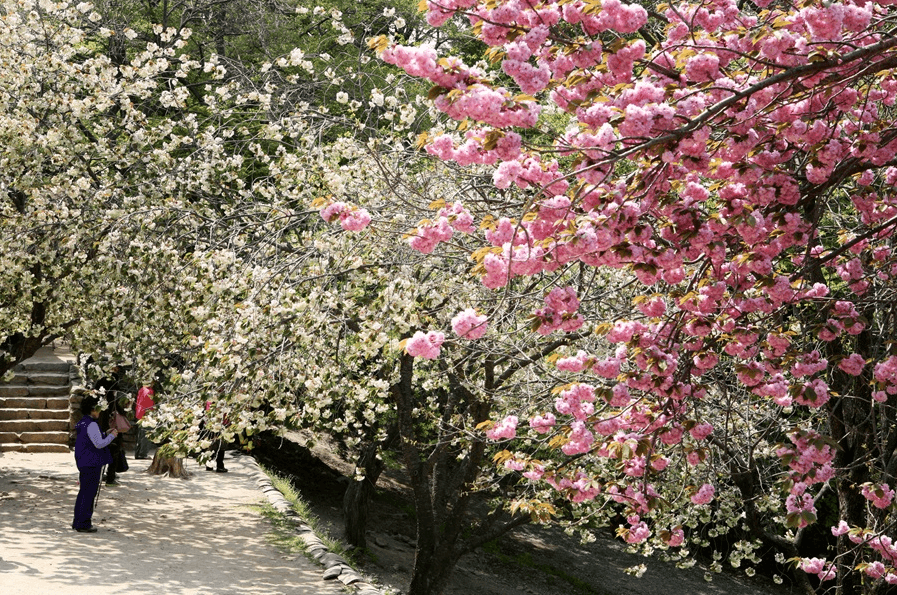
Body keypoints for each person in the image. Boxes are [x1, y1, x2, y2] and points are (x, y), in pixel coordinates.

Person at [72, 396, 118, 533]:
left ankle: (78, 521)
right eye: (98, 409)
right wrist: (112, 436)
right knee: (89, 493)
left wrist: (104, 433)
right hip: (91, 462)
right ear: (92, 409)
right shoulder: (91, 424)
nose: (99, 412)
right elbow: (99, 443)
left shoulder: (83, 422)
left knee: (83, 492)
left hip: (84, 461)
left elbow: (93, 437)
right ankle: (84, 523)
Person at [134, 383, 156, 460]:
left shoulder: (141, 389)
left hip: (139, 413)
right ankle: (143, 454)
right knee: (147, 435)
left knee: (140, 434)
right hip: (146, 414)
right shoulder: (150, 391)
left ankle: (138, 453)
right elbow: (150, 405)